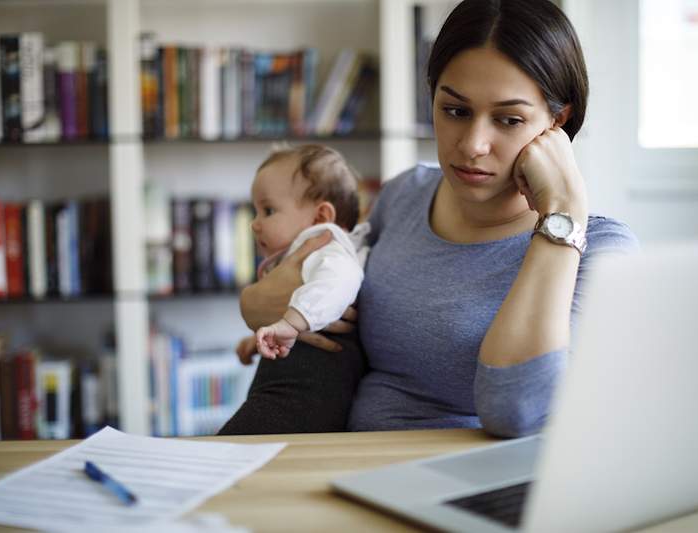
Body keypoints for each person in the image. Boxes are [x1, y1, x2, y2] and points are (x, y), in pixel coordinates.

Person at [221, 0, 638, 438]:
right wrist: (257, 305)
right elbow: (277, 296)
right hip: (346, 464)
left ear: (558, 120)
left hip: (473, 485)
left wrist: (563, 217)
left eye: (509, 119)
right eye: (455, 111)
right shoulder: (404, 195)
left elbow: (517, 412)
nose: (474, 144)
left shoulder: (603, 250)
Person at [222, 145, 370, 434]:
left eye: (268, 210)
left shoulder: (329, 248)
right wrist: (260, 338)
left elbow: (338, 283)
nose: (254, 224)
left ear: (319, 217)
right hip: (290, 385)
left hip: (312, 386)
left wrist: (290, 324)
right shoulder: (302, 255)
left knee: (236, 445)